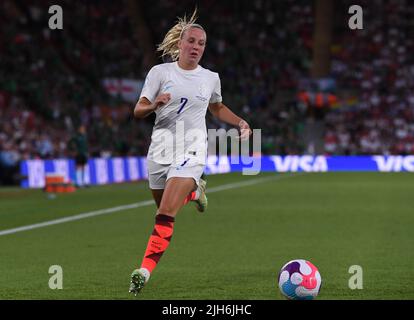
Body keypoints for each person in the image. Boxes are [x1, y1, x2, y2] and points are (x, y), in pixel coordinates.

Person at [129, 10, 252, 295]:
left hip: (193, 146)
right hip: (160, 148)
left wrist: (241, 121)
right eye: (192, 41)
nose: (196, 47)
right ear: (180, 44)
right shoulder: (160, 73)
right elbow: (138, 110)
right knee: (163, 206)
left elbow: (217, 107)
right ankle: (196, 193)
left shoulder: (210, 78)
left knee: (165, 213)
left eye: (202, 43)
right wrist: (154, 105)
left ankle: (143, 272)